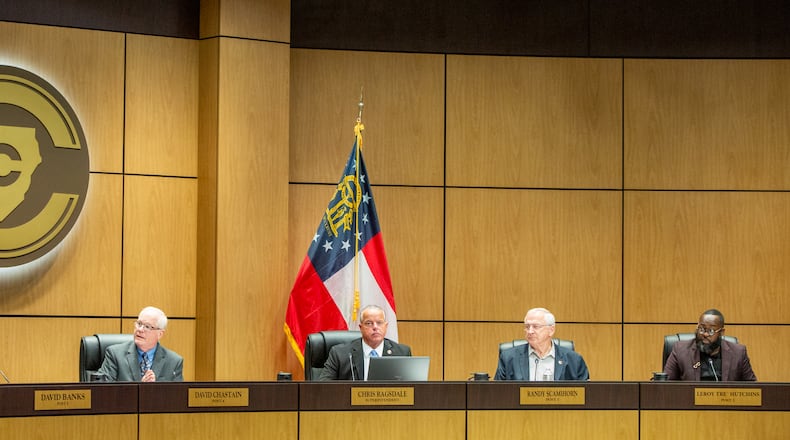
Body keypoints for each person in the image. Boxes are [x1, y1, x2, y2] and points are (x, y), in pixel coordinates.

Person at [318, 304, 411, 380]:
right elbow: (324, 386)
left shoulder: (401, 353)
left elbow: (412, 387)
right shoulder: (340, 354)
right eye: (369, 323)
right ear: (361, 327)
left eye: (379, 323)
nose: (375, 327)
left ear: (386, 326)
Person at [495, 307, 589, 381]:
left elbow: (585, 393)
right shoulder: (508, 358)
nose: (530, 331)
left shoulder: (574, 360)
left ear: (551, 330)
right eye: (527, 327)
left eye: (536, 326)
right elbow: (497, 393)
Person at [664, 309, 756, 381]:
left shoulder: (738, 353)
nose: (705, 334)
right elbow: (665, 384)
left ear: (721, 332)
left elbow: (753, 388)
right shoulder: (680, 350)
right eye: (701, 329)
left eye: (711, 331)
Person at [97, 306, 184, 382]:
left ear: (160, 334)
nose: (140, 329)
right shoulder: (115, 354)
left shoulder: (174, 362)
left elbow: (177, 394)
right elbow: (103, 390)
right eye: (139, 324)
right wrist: (139, 386)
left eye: (147, 326)